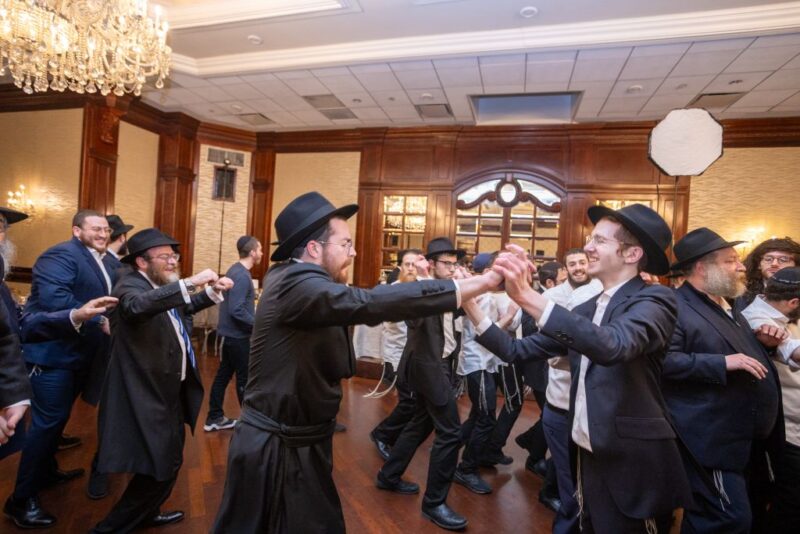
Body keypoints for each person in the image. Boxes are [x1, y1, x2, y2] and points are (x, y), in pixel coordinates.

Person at [213, 192, 500, 533]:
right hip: (275, 450)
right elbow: (369, 302)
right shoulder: (294, 284)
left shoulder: (300, 280)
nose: (353, 252)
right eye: (346, 244)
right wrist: (477, 283)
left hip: (302, 442)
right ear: (314, 249)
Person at [465, 203, 693, 533]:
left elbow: (613, 345)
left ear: (632, 254)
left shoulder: (655, 300)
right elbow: (517, 350)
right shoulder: (587, 308)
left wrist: (527, 296)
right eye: (590, 239)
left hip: (630, 458)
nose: (588, 248)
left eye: (599, 241)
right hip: (586, 449)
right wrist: (470, 304)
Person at [90, 228, 232, 533]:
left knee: (166, 460)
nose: (172, 261)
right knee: (162, 465)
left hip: (168, 389)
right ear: (142, 262)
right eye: (164, 256)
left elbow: (180, 307)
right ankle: (108, 529)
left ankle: (147, 513)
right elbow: (136, 307)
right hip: (145, 392)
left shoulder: (158, 285)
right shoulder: (128, 284)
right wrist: (190, 282)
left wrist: (211, 293)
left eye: (174, 256)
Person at [662, 228, 784, 534]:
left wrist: (766, 347)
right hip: (708, 438)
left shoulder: (726, 305)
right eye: (731, 261)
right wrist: (721, 363)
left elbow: (740, 353)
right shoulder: (675, 305)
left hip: (737, 437)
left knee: (712, 520)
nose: (741, 267)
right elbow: (662, 361)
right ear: (702, 268)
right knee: (728, 519)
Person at [4, 210, 116, 529]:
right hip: (52, 356)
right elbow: (56, 300)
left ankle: (47, 471)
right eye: (95, 228)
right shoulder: (60, 255)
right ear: (76, 230)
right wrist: (98, 319)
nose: (102, 234)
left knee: (58, 421)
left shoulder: (107, 262)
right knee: (45, 425)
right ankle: (20, 499)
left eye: (106, 229)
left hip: (79, 357)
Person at [378, 237, 476, 530]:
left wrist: (464, 284)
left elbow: (461, 312)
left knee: (420, 424)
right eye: (447, 263)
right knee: (451, 432)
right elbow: (415, 318)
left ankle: (388, 475)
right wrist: (423, 279)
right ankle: (434, 503)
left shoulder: (447, 288)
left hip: (438, 365)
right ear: (431, 264)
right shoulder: (418, 290)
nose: (453, 268)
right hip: (427, 368)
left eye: (455, 263)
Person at [741, 266, 800, 533]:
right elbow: (792, 350)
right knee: (787, 499)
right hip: (783, 429)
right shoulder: (758, 320)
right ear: (794, 302)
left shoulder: (785, 314)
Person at [204, 235, 262, 431]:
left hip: (231, 336)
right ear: (252, 252)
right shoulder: (242, 275)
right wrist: (257, 324)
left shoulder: (235, 270)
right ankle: (249, 424)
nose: (262, 253)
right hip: (238, 338)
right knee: (244, 379)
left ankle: (214, 417)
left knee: (223, 376)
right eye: (260, 249)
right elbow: (236, 310)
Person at [370, 248, 423, 460]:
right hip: (397, 355)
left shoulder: (422, 288)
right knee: (409, 402)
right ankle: (382, 434)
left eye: (415, 265)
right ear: (400, 267)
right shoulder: (392, 291)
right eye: (407, 264)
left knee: (414, 402)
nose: (411, 268)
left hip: (415, 356)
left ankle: (394, 437)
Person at [737, 237, 800, 313]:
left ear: (796, 266)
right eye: (768, 259)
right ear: (759, 264)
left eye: (783, 260)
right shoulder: (741, 291)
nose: (774, 264)